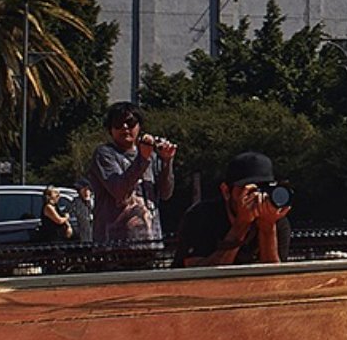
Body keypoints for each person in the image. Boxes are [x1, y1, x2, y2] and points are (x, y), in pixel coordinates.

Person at [173, 151, 291, 267]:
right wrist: (241, 225)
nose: (256, 196)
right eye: (247, 191)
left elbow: (274, 278)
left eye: (263, 189)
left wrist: (268, 228)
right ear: (226, 191)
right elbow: (200, 276)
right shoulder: (200, 217)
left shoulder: (276, 220)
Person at [85, 103, 175, 249]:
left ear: (139, 126)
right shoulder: (104, 154)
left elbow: (166, 193)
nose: (125, 127)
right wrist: (143, 160)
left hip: (150, 243)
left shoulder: (151, 156)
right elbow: (119, 190)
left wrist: (167, 161)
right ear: (110, 129)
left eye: (131, 122)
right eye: (118, 124)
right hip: (114, 247)